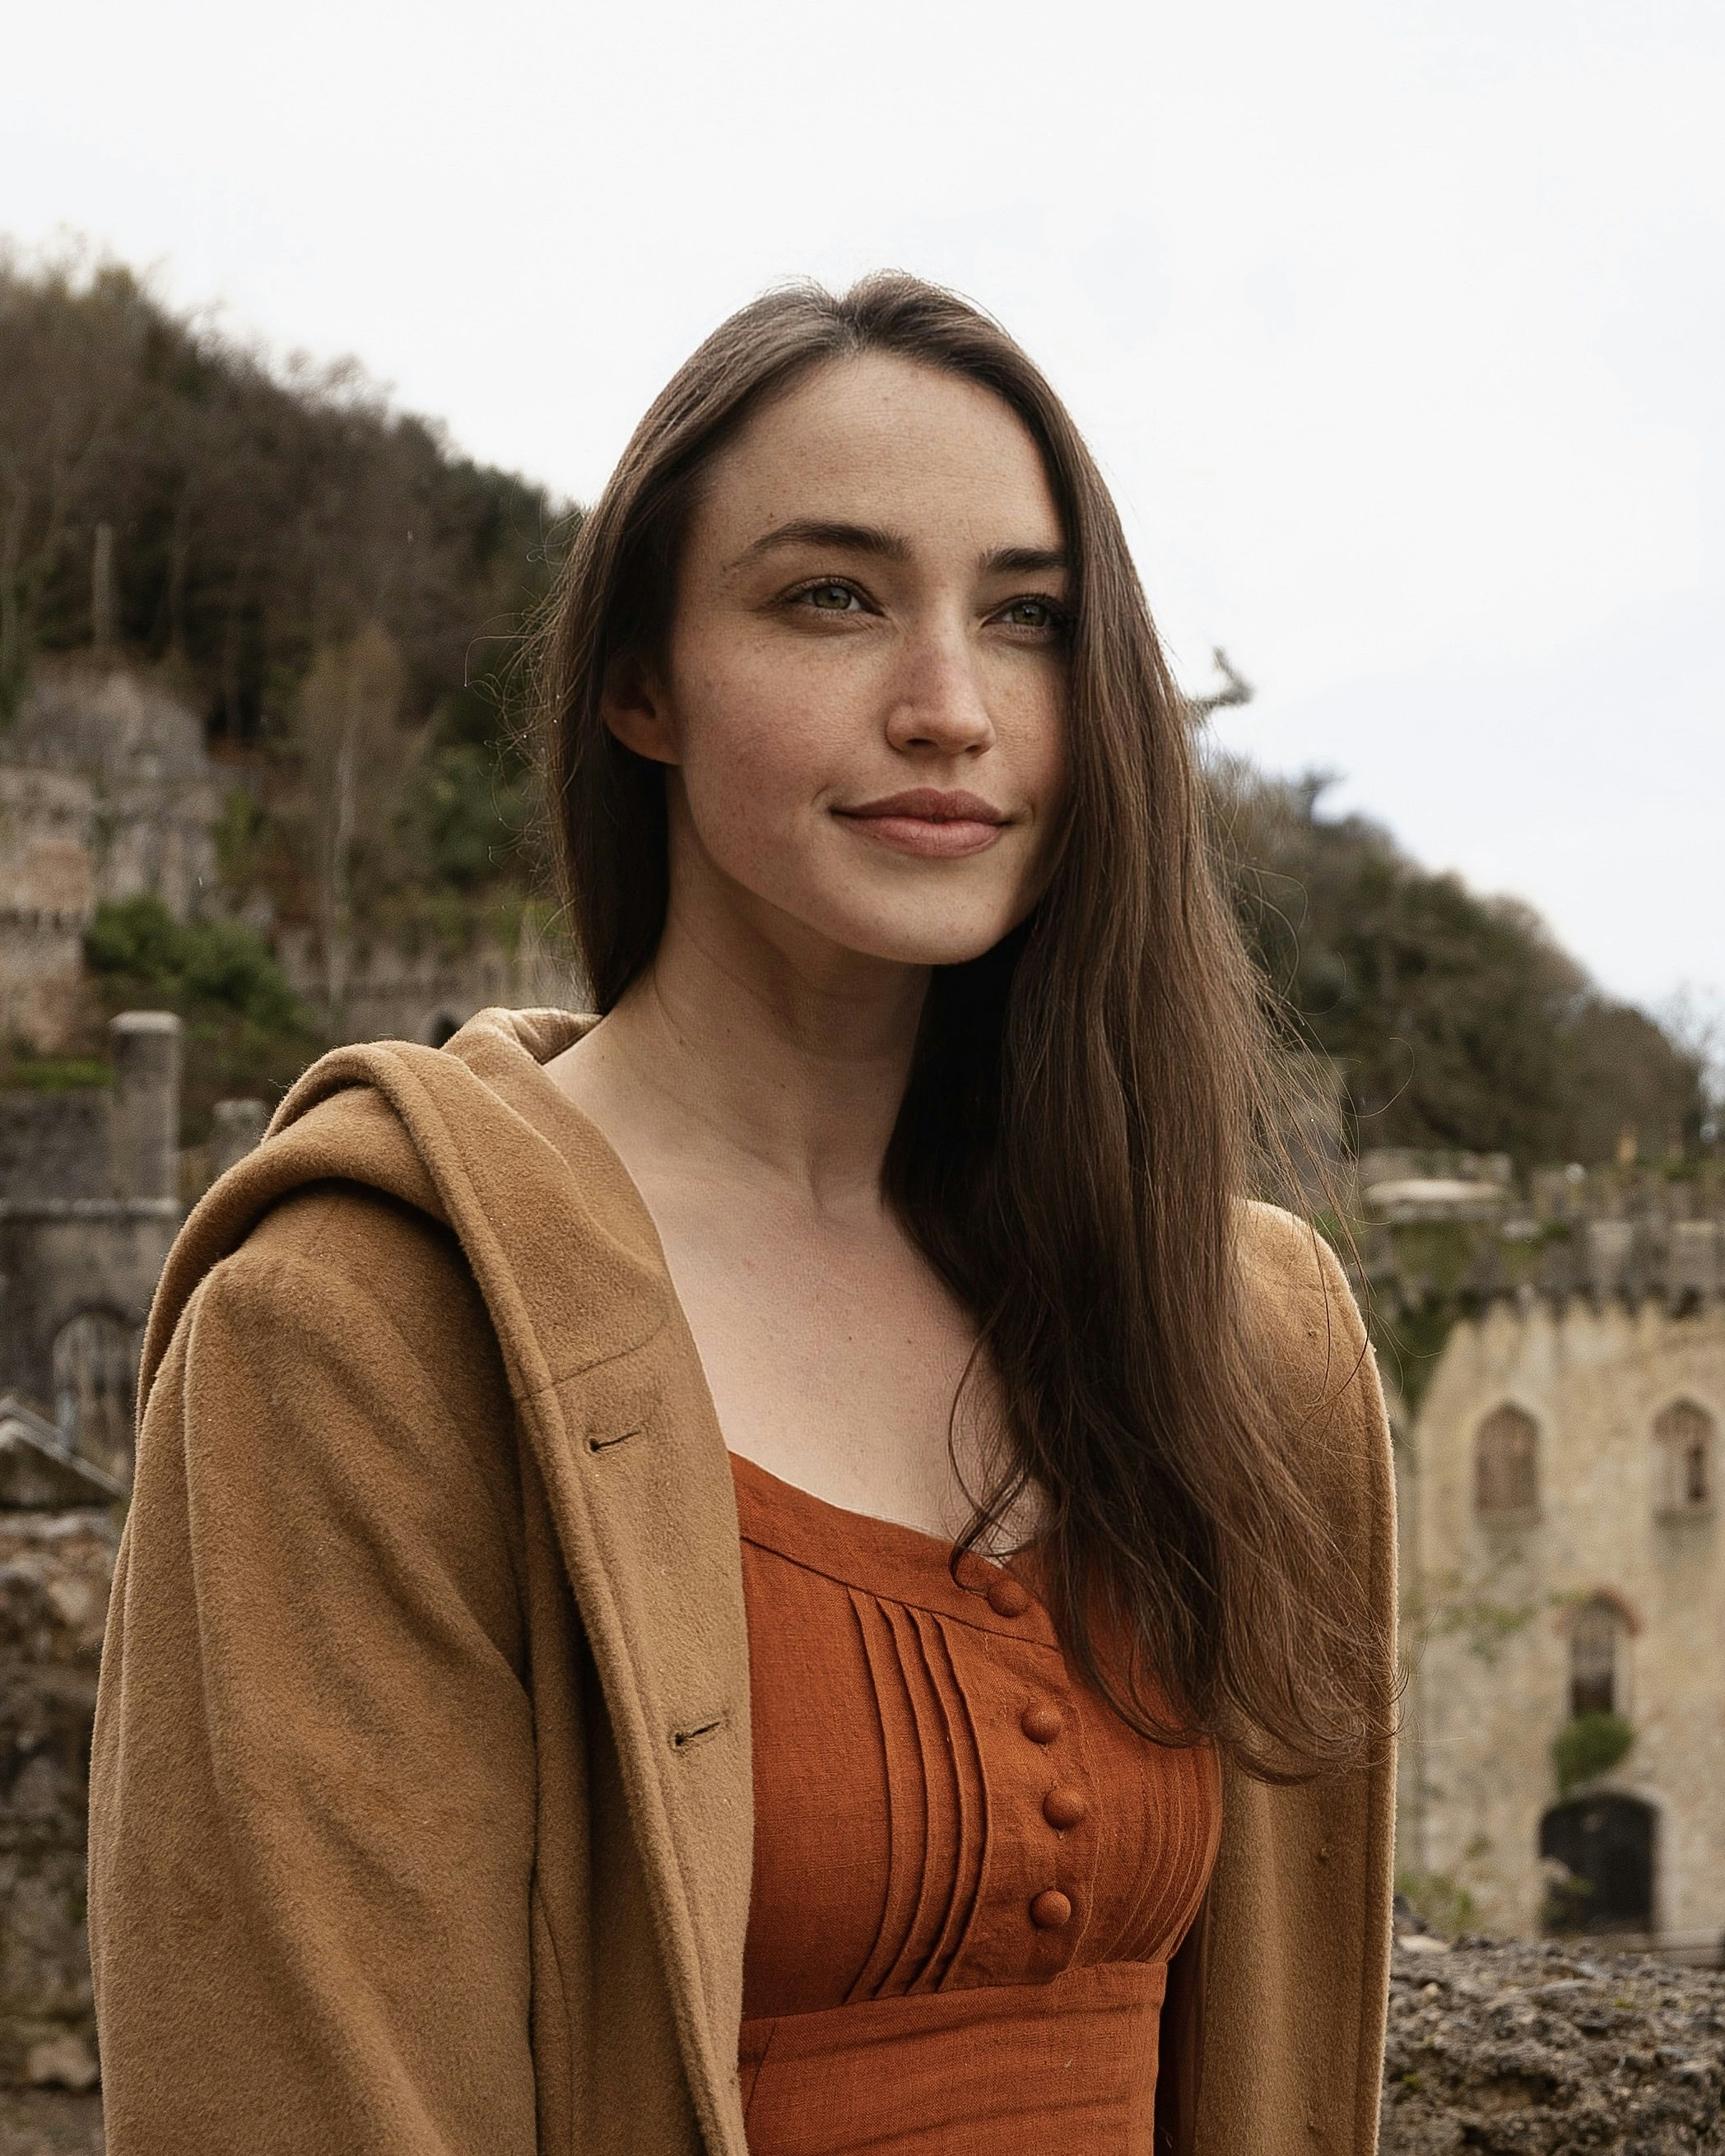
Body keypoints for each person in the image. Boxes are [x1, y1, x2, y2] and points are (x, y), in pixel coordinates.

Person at [90, 274, 1397, 2155]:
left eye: (1026, 617)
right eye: (830, 597)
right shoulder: (363, 1334)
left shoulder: (1231, 1336)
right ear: (642, 682)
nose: (949, 706)